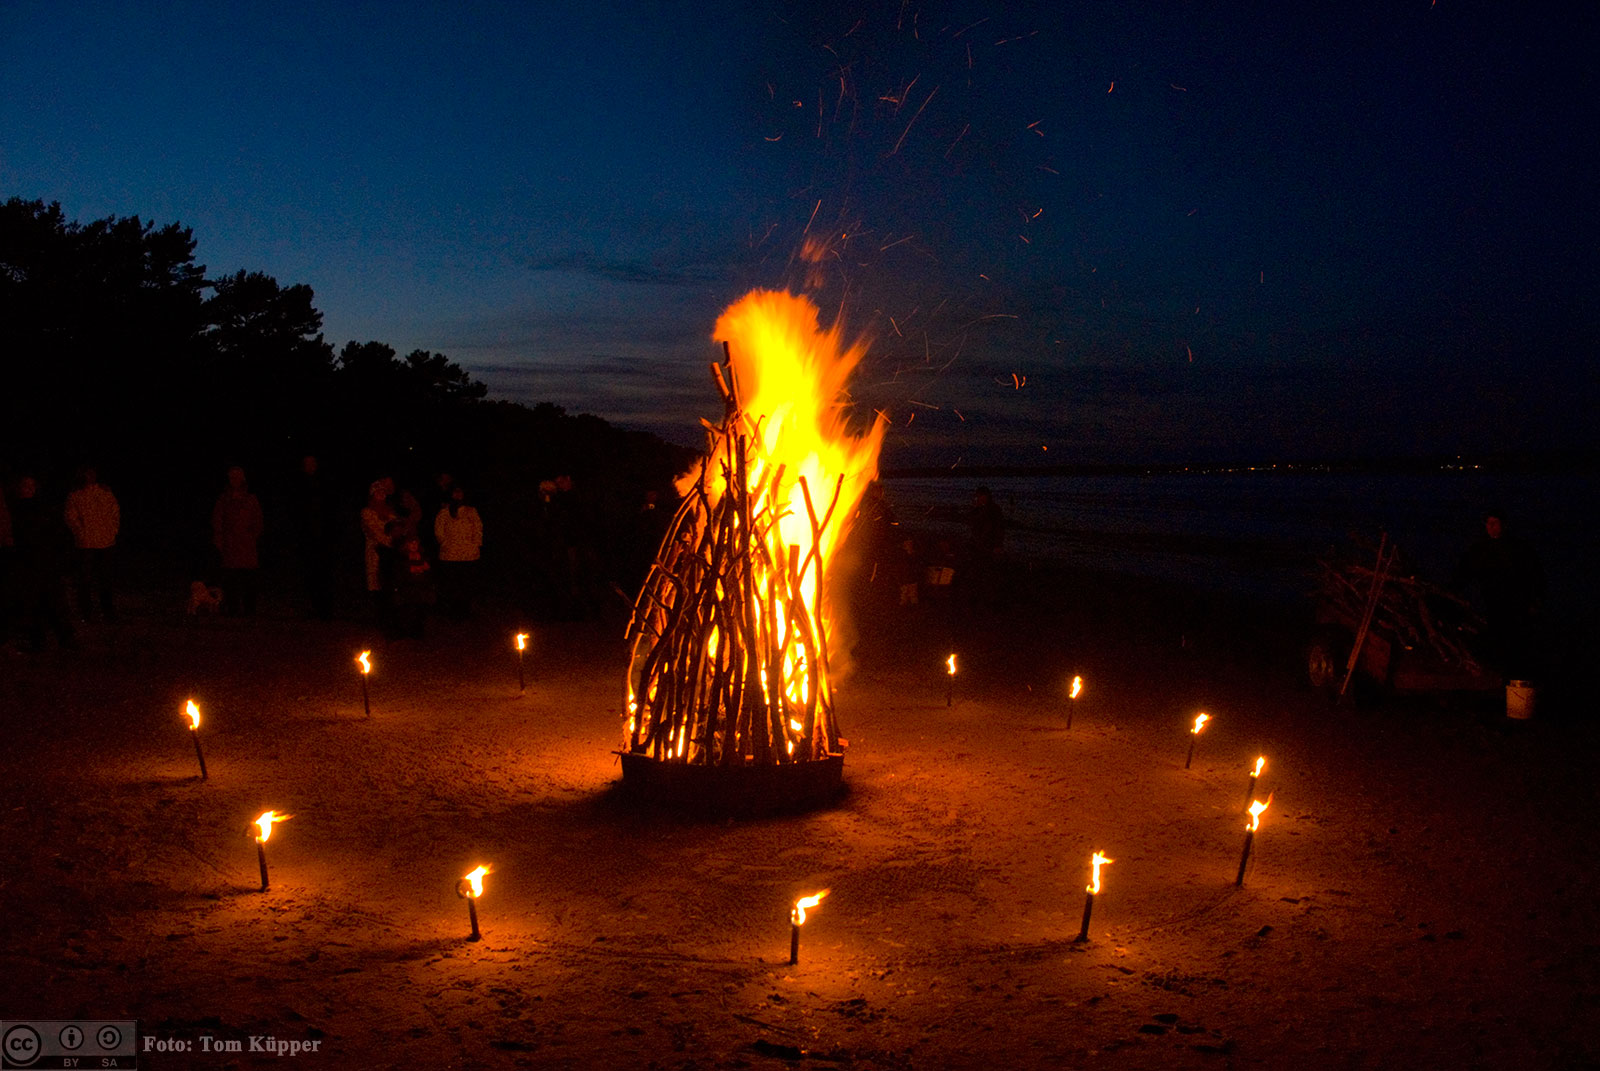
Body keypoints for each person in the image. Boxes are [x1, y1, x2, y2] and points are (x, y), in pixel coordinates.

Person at [1456, 507, 1544, 679]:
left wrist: (1535, 601)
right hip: (1491, 605)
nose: (1490, 527)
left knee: (1516, 646)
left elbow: (1534, 574)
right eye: (1487, 523)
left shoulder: (1518, 548)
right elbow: (1464, 572)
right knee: (1494, 644)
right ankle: (1497, 681)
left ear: (1504, 525)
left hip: (1516, 607)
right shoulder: (1480, 548)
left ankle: (1516, 681)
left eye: (1494, 523)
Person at [11, 476, 76, 651]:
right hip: (27, 563)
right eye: (25, 485)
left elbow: (56, 533)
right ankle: (38, 640)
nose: (28, 489)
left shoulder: (43, 508)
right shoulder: (14, 509)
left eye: (31, 485)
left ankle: (66, 639)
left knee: (55, 601)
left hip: (46, 561)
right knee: (34, 603)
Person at [63, 465, 119, 621]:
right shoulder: (75, 494)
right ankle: (86, 611)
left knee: (105, 578)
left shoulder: (105, 492)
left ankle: (108, 610)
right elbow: (70, 517)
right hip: (86, 544)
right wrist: (81, 533)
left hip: (106, 542)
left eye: (92, 473)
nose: (90, 476)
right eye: (86, 473)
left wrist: (112, 530)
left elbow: (115, 511)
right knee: (85, 579)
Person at [211, 465, 264, 616]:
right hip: (230, 545)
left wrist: (252, 537)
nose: (234, 480)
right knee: (230, 580)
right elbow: (217, 521)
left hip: (247, 545)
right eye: (231, 477)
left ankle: (250, 610)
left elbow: (258, 521)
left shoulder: (251, 499)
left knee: (249, 580)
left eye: (237, 477)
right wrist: (219, 541)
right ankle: (232, 609)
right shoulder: (224, 499)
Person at [289, 454, 336, 620]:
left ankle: (326, 608)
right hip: (306, 538)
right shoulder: (298, 485)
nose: (309, 466)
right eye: (306, 463)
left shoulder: (325, 484)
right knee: (310, 574)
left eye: (312, 463)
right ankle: (314, 606)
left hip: (324, 538)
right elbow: (295, 511)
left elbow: (331, 510)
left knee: (325, 573)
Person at [433, 485, 482, 619]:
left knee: (467, 584)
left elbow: (478, 529)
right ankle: (453, 612)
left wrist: (475, 544)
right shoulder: (444, 512)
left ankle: (466, 611)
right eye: (455, 492)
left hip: (468, 554)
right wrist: (445, 543)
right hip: (450, 555)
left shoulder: (471, 511)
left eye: (460, 491)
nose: (458, 495)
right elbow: (439, 531)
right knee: (452, 585)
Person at [360, 477, 398, 625]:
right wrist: (391, 541)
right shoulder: (367, 512)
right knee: (377, 582)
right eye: (378, 492)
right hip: (376, 552)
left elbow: (397, 528)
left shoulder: (390, 512)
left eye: (383, 492)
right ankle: (379, 618)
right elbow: (375, 531)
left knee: (389, 583)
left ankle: (390, 616)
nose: (381, 494)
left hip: (390, 553)